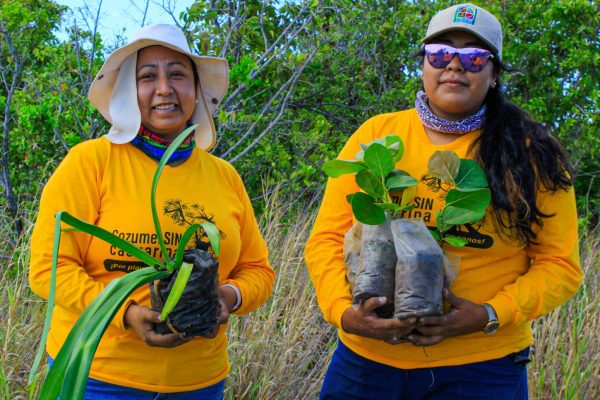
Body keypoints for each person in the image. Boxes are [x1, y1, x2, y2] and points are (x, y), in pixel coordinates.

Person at [304, 3, 582, 399]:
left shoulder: (531, 153)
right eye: (439, 53)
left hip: (482, 367)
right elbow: (326, 239)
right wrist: (344, 314)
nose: (454, 65)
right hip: (366, 362)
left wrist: (488, 315)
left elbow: (560, 266)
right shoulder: (377, 135)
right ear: (423, 65)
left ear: (494, 73)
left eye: (473, 56)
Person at [29, 24, 275, 398]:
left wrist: (229, 296)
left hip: (199, 382)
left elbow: (258, 270)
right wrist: (125, 313)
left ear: (196, 91)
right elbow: (49, 270)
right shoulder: (90, 162)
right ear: (130, 91)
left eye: (177, 74)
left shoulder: (224, 176)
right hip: (97, 377)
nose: (164, 88)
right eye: (148, 77)